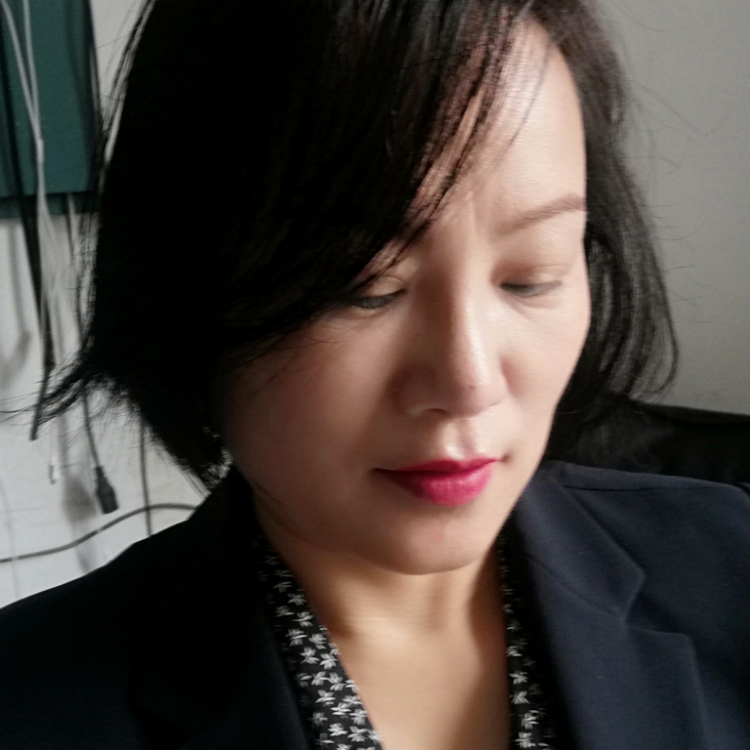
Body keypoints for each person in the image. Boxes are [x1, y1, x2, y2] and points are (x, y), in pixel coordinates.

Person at [0, 0, 748, 748]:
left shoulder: (728, 561)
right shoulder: (31, 703)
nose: (469, 382)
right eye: (364, 288)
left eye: (531, 276)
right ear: (187, 284)